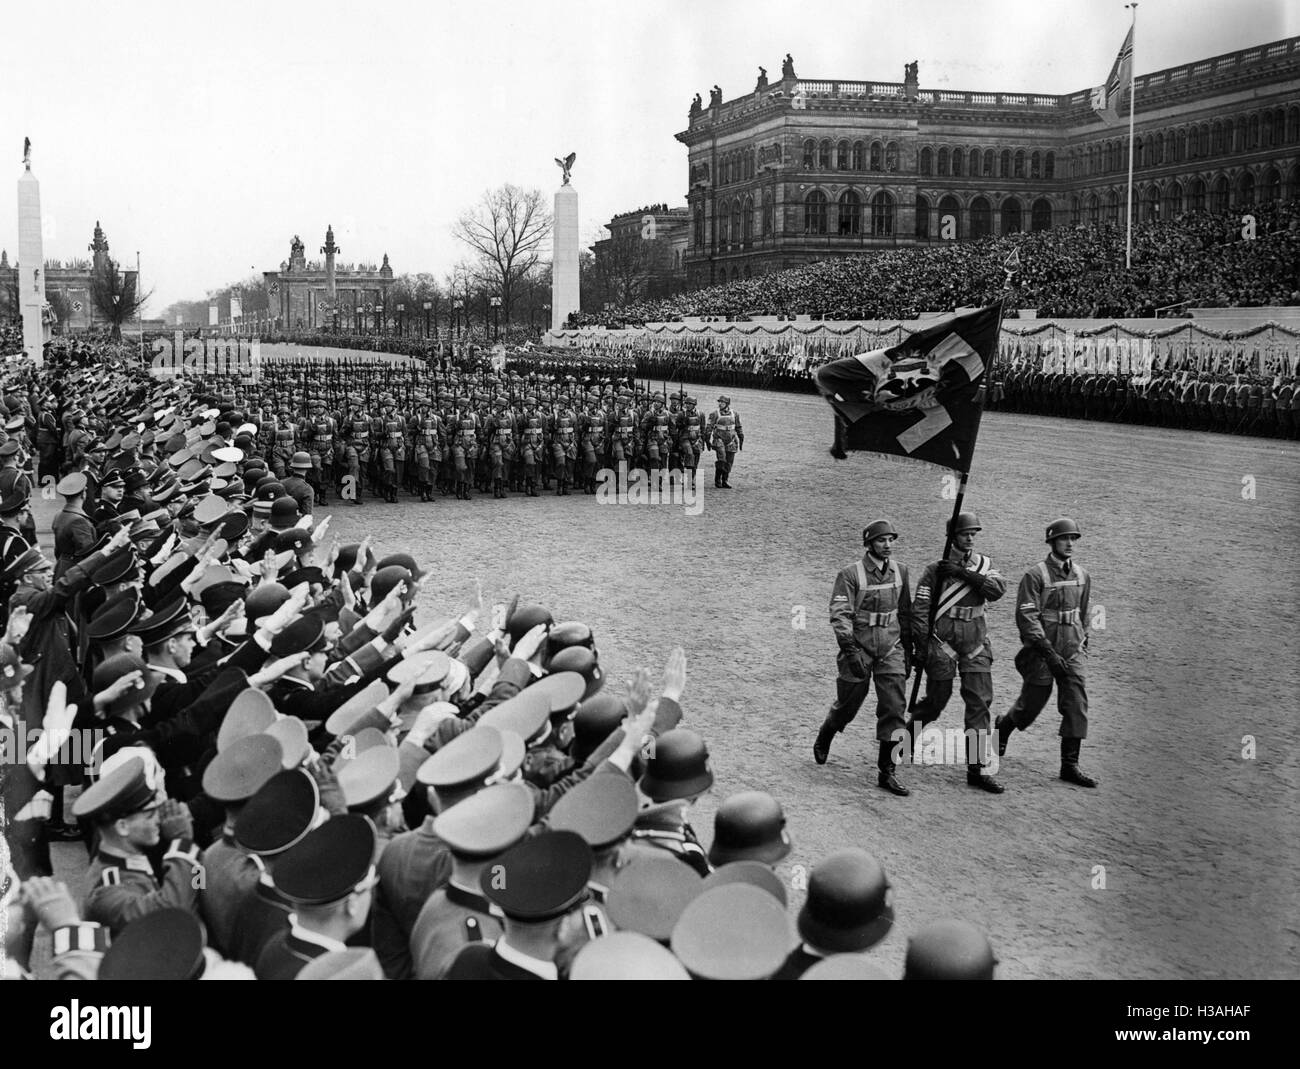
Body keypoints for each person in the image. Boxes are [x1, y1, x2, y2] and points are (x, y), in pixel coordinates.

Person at [905, 511, 1006, 793]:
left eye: (974, 533)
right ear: (952, 537)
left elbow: (998, 589)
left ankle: (976, 768)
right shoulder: (934, 571)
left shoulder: (984, 564)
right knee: (937, 701)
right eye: (965, 533)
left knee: (979, 704)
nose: (970, 537)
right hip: (943, 643)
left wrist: (963, 573)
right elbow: (921, 610)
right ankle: (910, 733)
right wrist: (923, 646)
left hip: (975, 641)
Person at [814, 519, 914, 796]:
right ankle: (828, 731)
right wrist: (849, 649)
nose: (887, 545)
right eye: (882, 540)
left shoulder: (902, 572)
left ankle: (887, 771)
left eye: (891, 540)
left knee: (894, 708)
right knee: (849, 703)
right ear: (869, 544)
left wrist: (911, 650)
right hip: (858, 648)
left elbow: (905, 613)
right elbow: (840, 614)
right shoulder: (850, 574)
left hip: (891, 648)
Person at [995, 517, 1097, 788]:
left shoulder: (1082, 575)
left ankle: (1070, 765)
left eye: (1073, 539)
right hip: (1043, 650)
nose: (1070, 544)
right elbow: (1027, 617)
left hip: (1072, 649)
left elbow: (1084, 612)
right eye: (1065, 538)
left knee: (1076, 702)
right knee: (1033, 701)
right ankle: (1002, 728)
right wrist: (1047, 652)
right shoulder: (1035, 575)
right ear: (1052, 542)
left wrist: (1083, 642)